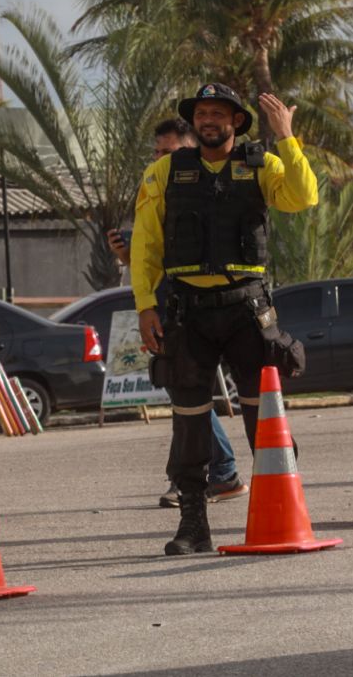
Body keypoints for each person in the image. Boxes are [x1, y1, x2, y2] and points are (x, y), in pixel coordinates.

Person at [130, 84, 317, 555]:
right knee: (190, 422)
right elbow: (146, 243)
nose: (208, 120)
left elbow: (302, 197)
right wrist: (145, 304)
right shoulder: (163, 172)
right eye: (201, 113)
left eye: (218, 113)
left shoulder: (263, 164)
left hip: (245, 308)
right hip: (187, 310)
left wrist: (286, 136)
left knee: (264, 417)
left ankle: (283, 513)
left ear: (236, 121)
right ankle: (193, 526)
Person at [108, 118, 247, 509]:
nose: (158, 159)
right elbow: (152, 255)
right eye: (155, 152)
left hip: (198, 307)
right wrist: (128, 258)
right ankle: (209, 475)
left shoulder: (204, 193)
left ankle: (217, 473)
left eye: (166, 152)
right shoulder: (157, 189)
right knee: (184, 392)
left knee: (187, 394)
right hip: (168, 306)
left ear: (189, 151)